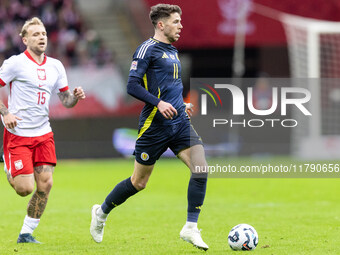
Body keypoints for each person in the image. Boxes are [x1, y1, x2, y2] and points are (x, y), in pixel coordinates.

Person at [90, 4, 209, 251]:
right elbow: (132, 86)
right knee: (138, 182)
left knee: (200, 168)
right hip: (154, 125)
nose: (181, 26)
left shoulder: (172, 51)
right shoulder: (147, 49)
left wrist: (180, 104)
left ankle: (190, 227)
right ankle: (101, 213)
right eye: (176, 21)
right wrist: (159, 103)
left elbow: (169, 87)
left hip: (178, 123)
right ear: (161, 24)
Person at [0, 17, 86, 243]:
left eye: (44, 34)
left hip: (43, 133)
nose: (41, 38)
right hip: (18, 134)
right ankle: (8, 162)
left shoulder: (55, 66)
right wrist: (5, 112)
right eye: (36, 34)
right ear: (25, 39)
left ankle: (26, 233)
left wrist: (75, 98)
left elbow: (65, 100)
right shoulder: (15, 63)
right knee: (24, 188)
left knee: (46, 183)